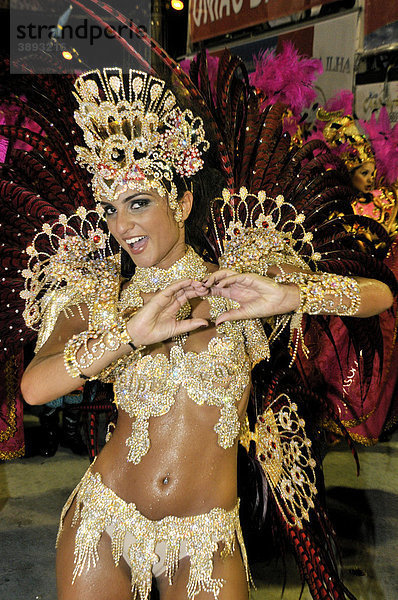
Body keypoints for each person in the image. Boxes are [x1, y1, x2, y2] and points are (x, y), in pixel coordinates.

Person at [17, 62, 395, 600]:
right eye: (111, 209)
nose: (122, 226)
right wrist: (127, 336)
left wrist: (293, 294)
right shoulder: (100, 297)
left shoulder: (242, 281)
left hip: (206, 538)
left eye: (139, 202)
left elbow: (378, 296)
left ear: (184, 200)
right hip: (105, 523)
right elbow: (34, 387)